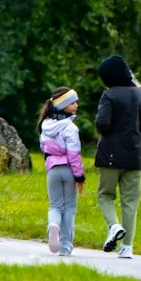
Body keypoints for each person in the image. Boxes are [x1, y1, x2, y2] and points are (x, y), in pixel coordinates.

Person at [93, 54, 141, 259]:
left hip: (110, 154)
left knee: (105, 195)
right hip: (134, 155)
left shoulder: (109, 96)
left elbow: (102, 124)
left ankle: (113, 227)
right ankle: (127, 248)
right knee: (130, 202)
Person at [37, 86, 85, 255]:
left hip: (52, 171)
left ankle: (53, 226)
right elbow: (74, 155)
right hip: (68, 171)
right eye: (73, 102)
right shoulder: (70, 128)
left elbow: (44, 148)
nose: (76, 105)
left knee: (55, 206)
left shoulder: (45, 125)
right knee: (70, 208)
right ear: (63, 105)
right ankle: (65, 247)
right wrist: (79, 177)